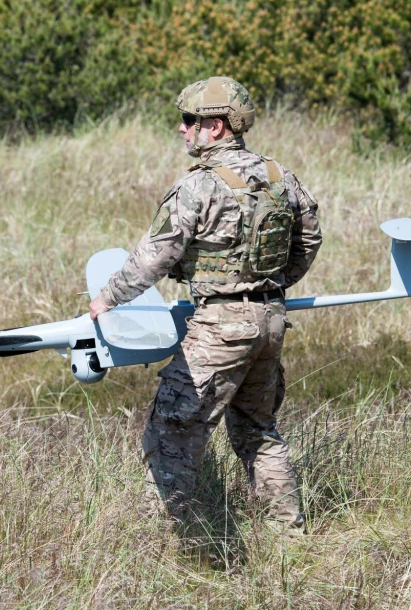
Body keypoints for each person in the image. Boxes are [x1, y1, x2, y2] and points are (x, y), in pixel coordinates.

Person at [88, 77, 321, 532]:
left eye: (188, 120)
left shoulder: (198, 187)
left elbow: (156, 256)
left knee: (172, 431)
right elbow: (309, 239)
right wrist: (272, 286)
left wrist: (106, 299)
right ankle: (290, 536)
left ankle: (171, 541)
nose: (181, 129)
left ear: (215, 126)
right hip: (272, 320)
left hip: (220, 327)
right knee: (258, 431)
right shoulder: (281, 177)